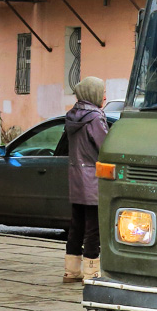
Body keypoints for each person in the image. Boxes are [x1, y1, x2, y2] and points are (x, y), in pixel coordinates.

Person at [63, 77, 109, 284]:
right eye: (102, 92)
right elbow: (105, 147)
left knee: (77, 225)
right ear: (93, 94)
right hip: (93, 179)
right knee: (93, 227)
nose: (105, 96)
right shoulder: (95, 118)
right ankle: (91, 273)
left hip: (76, 177)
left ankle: (71, 271)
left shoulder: (72, 116)